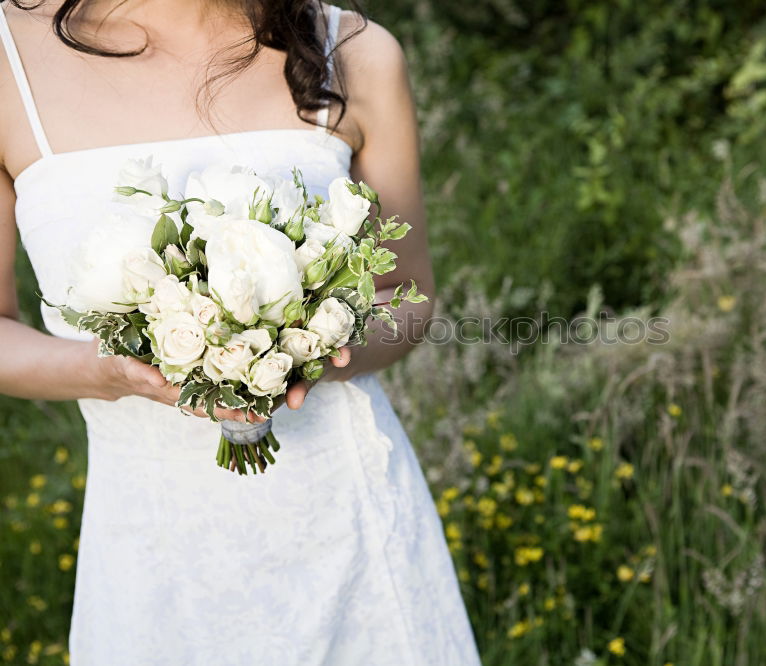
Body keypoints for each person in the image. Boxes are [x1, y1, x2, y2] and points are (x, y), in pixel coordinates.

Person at [0, 0, 481, 663]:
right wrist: (110, 370)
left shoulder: (356, 50)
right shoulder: (9, 60)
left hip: (352, 539)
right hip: (150, 555)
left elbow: (409, 293)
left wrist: (306, 350)